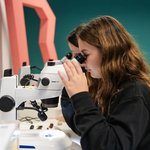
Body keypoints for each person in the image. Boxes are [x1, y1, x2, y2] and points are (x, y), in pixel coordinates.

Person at [58, 15, 150, 150]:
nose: (81, 62)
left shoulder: (134, 92)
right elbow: (94, 133)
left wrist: (81, 97)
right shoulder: (113, 86)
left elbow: (107, 145)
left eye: (85, 54)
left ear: (108, 51)